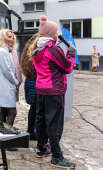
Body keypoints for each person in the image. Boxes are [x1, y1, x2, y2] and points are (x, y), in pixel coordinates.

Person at [32, 16, 76, 169]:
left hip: (41, 90)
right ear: (51, 33)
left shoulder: (37, 48)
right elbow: (68, 68)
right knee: (54, 124)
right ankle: (57, 157)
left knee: (41, 120)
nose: (58, 34)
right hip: (54, 91)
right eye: (56, 31)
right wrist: (70, 54)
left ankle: (41, 147)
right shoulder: (53, 49)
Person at [0, 29, 23, 127]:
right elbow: (7, 71)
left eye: (13, 36)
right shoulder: (2, 51)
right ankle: (6, 136)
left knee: (4, 111)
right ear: (2, 38)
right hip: (6, 86)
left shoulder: (10, 51)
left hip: (6, 86)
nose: (12, 39)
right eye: (9, 37)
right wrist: (16, 82)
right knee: (12, 112)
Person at [20, 33, 40, 140]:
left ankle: (31, 131)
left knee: (33, 108)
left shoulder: (27, 51)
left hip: (29, 81)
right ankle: (35, 132)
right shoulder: (35, 52)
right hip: (35, 82)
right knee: (37, 110)